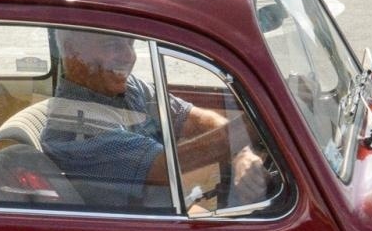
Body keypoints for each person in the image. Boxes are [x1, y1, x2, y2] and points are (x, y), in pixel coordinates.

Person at [41, 29, 266, 209]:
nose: (129, 56)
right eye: (112, 45)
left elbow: (192, 118)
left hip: (171, 211)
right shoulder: (75, 128)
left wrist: (241, 154)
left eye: (130, 43)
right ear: (72, 52)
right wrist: (259, 119)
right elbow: (168, 166)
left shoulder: (128, 87)